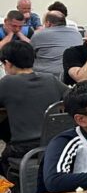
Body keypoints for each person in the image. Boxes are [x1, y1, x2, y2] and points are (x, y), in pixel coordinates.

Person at [0, 40, 67, 180]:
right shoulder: (51, 79)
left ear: (8, 63)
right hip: (54, 143)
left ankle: (15, 188)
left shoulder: (6, 83)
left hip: (23, 148)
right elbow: (72, 98)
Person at [30, 11, 82, 78]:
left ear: (48, 23)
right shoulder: (77, 34)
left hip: (45, 75)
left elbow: (29, 54)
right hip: (71, 75)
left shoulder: (39, 34)